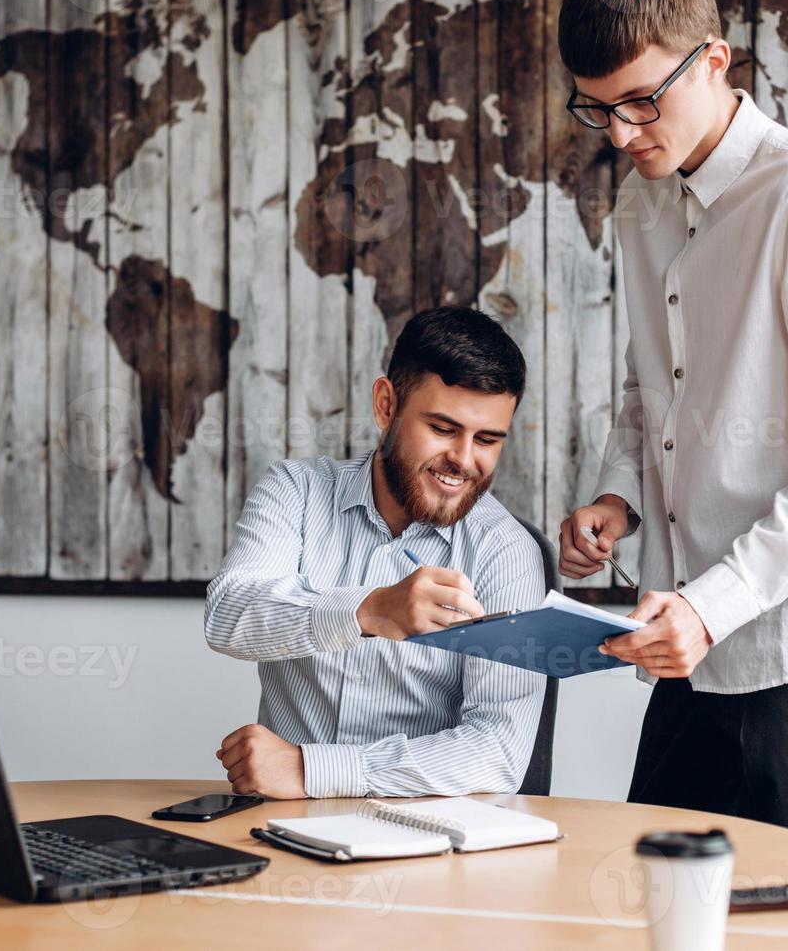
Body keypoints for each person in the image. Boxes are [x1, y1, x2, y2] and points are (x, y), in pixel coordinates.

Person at [555, 0, 788, 855]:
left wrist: (711, 608)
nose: (624, 133)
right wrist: (616, 500)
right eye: (598, 110)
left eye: (641, 102)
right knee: (651, 913)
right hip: (687, 638)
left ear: (714, 61)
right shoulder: (642, 198)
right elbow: (653, 391)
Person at [205, 307, 546, 799]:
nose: (464, 460)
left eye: (487, 439)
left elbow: (498, 751)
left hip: (427, 842)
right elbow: (228, 615)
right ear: (386, 405)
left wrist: (312, 770)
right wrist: (368, 611)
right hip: (279, 829)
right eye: (444, 429)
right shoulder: (295, 492)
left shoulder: (506, 552)